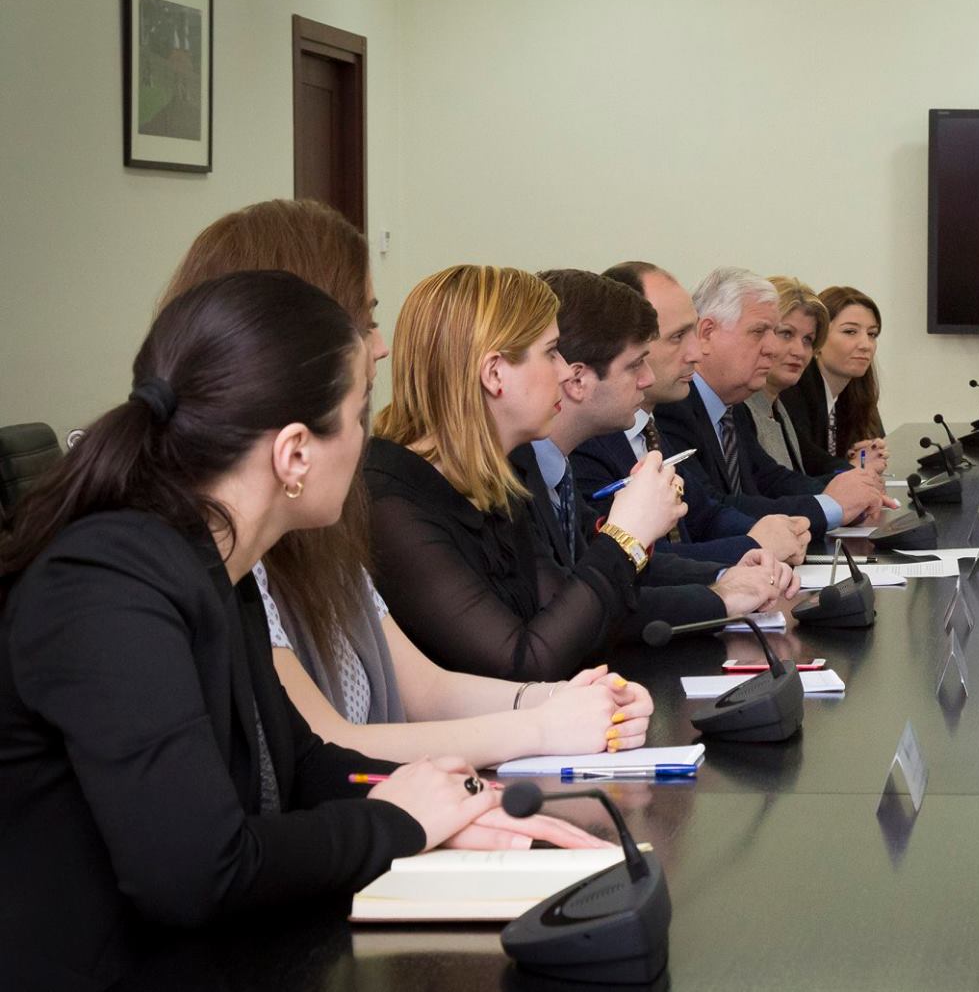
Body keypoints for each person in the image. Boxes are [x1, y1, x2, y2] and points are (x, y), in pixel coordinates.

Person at [0, 272, 600, 987]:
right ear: (294, 453)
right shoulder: (108, 586)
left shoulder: (213, 562)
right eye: (356, 415)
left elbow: (302, 763)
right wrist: (398, 822)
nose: (367, 442)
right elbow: (196, 868)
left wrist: (452, 800)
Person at [158, 200, 654, 768]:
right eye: (365, 319)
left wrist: (563, 701)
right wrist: (542, 724)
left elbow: (424, 689)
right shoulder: (243, 542)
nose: (381, 346)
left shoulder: (323, 521)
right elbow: (323, 748)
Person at [366, 265, 695, 681]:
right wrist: (625, 536)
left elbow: (570, 624)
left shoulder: (497, 476)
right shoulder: (391, 502)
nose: (565, 371)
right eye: (551, 352)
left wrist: (634, 533)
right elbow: (524, 661)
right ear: (494, 373)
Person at [530, 269, 799, 622]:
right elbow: (564, 612)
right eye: (635, 364)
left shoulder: (557, 466)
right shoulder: (527, 474)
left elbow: (627, 570)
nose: (648, 378)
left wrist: (725, 577)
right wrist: (718, 597)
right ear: (577, 379)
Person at [573, 261, 810, 565]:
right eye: (677, 337)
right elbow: (630, 561)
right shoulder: (587, 440)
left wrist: (774, 533)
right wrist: (751, 546)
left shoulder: (649, 428)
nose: (697, 353)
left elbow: (704, 515)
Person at [653, 267, 890, 529]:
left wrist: (854, 488)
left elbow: (771, 479)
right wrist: (832, 505)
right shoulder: (671, 408)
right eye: (759, 332)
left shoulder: (732, 408)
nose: (773, 348)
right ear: (707, 333)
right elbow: (709, 510)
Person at [751, 275, 864, 477]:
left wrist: (856, 476)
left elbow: (815, 463)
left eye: (808, 340)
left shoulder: (777, 408)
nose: (799, 351)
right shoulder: (740, 410)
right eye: (786, 334)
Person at [793, 285, 889, 465]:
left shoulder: (859, 394)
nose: (866, 345)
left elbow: (858, 460)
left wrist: (866, 458)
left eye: (872, 334)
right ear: (817, 338)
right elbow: (807, 468)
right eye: (850, 332)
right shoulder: (794, 391)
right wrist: (851, 469)